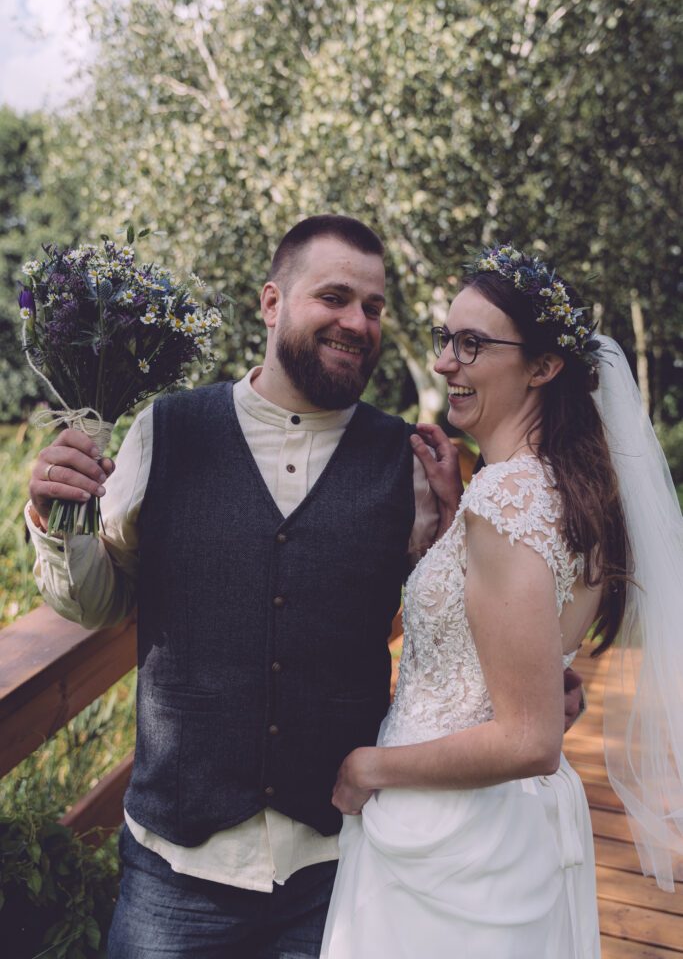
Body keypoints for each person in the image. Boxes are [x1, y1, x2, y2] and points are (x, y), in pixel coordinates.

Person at [26, 220, 583, 959]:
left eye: (374, 307)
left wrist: (540, 671)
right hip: (175, 868)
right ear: (271, 303)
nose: (357, 322)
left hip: (340, 866)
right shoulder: (165, 431)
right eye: (334, 297)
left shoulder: (412, 459)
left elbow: (453, 616)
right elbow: (100, 602)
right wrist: (53, 520)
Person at [320, 244, 683, 959]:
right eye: (445, 339)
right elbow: (519, 636)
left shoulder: (506, 502)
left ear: (543, 367)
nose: (445, 362)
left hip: (451, 842)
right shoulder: (562, 490)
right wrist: (456, 521)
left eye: (472, 344)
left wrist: (368, 768)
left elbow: (528, 740)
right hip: (505, 833)